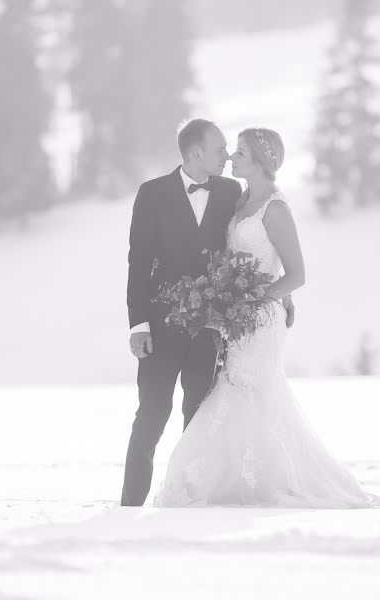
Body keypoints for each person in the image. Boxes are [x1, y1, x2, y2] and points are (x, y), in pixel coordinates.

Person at [154, 128, 380, 508]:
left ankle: (263, 482)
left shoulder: (275, 209)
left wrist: (251, 300)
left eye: (240, 152)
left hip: (261, 320)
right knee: (237, 389)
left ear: (261, 162)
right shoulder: (241, 200)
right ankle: (230, 480)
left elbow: (296, 274)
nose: (231, 158)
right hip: (239, 319)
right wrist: (226, 300)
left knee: (248, 392)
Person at [121, 119, 294, 507]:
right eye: (219, 149)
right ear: (195, 152)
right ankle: (129, 506)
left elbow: (255, 243)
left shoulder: (232, 191)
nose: (226, 155)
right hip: (160, 327)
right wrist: (139, 324)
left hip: (212, 327)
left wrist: (279, 291)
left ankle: (188, 500)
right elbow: (138, 261)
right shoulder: (152, 194)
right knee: (151, 414)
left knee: (199, 416)